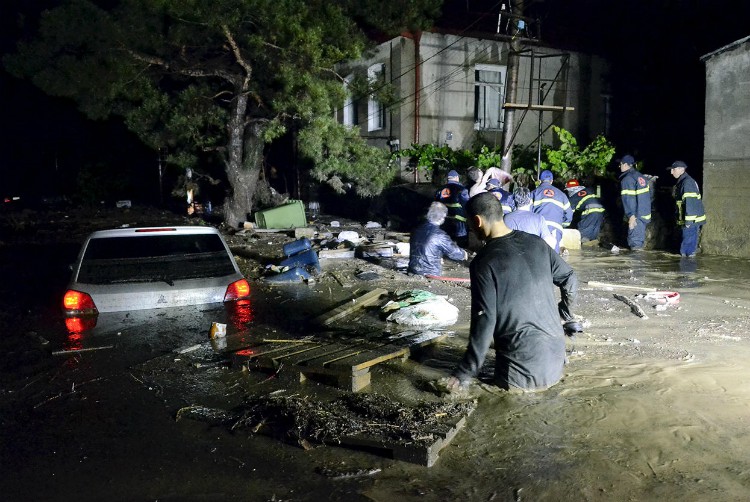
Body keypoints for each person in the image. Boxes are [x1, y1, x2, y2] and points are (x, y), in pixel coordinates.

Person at [444, 192, 579, 392]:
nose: (471, 230)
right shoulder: (537, 243)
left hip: (520, 371)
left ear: (477, 221)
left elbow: (485, 321)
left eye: (470, 225)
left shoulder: (484, 262)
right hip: (556, 357)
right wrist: (565, 314)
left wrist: (466, 371)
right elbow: (570, 278)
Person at [408, 202, 468, 276]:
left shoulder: (415, 230)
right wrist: (463, 254)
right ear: (442, 217)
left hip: (413, 270)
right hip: (430, 273)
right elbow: (454, 252)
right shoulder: (439, 235)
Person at [667, 160, 706, 257]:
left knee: (687, 249)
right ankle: (687, 267)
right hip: (690, 220)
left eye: (673, 170)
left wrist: (688, 222)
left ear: (681, 170)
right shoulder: (684, 181)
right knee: (688, 246)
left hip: (691, 221)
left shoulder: (687, 183)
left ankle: (687, 269)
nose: (671, 172)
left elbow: (690, 202)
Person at [531, 170, 573, 252]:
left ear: (539, 180)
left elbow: (527, 211)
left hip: (538, 227)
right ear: (552, 181)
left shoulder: (534, 193)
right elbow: (569, 215)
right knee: (554, 256)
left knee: (538, 253)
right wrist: (562, 224)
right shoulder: (562, 195)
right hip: (555, 228)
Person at [618, 155, 652, 250]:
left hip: (636, 216)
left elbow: (629, 199)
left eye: (620, 164)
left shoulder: (627, 179)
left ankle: (636, 264)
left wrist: (631, 216)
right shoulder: (640, 177)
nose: (619, 166)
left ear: (625, 165)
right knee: (638, 241)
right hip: (644, 214)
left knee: (635, 244)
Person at [435, 169, 470, 248]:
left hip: (444, 222)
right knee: (461, 246)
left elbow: (435, 205)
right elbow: (467, 205)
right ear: (457, 178)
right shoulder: (462, 190)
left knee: (445, 244)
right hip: (459, 224)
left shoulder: (439, 190)